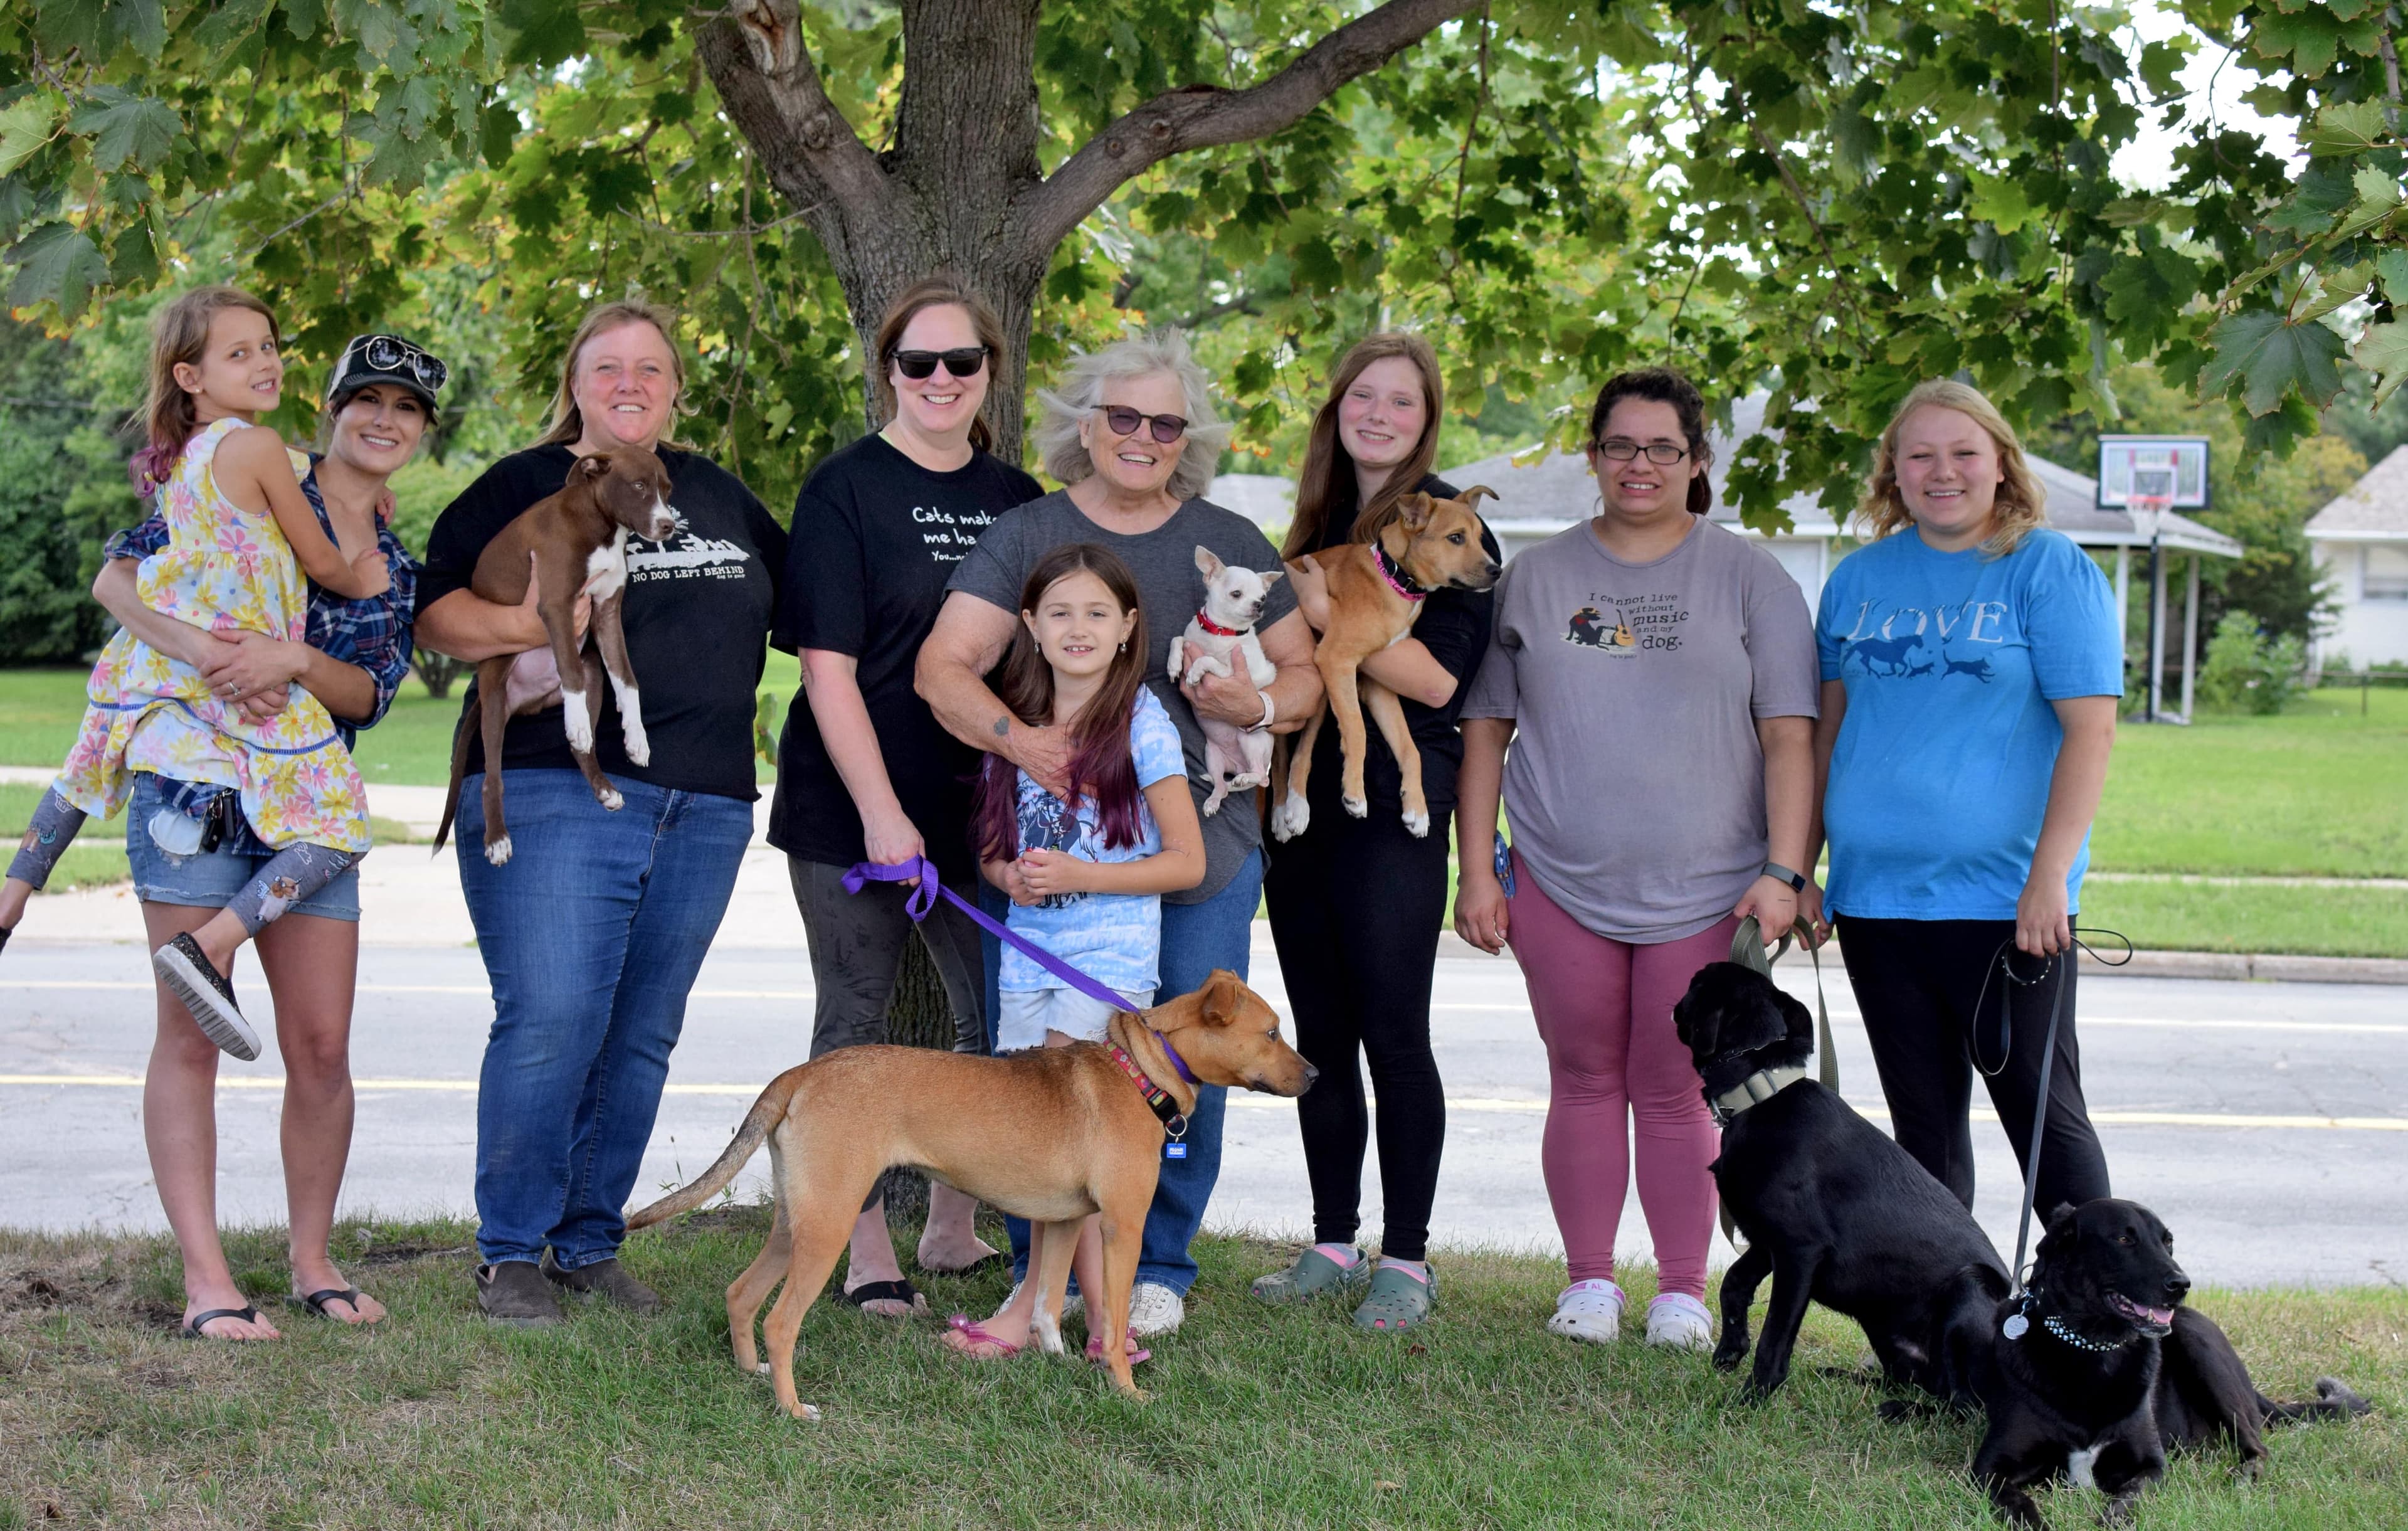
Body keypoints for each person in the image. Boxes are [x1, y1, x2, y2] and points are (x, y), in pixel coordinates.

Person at [13, 312, 431, 1339]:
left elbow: (369, 696)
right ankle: (207, 1283)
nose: (384, 420)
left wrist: (292, 661)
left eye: (407, 409)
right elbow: (118, 579)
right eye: (366, 399)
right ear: (331, 411)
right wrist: (203, 650)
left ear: (423, 432)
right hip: (193, 792)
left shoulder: (395, 562)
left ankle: (313, 1262)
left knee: (322, 1045)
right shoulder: (238, 473)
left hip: (303, 797)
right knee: (189, 1038)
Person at [918, 329, 1323, 1337]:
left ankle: (1158, 1268)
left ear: (1190, 438)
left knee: (1191, 1067)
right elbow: (943, 668)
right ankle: (1040, 1279)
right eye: (1125, 417)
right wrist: (1027, 746)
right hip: (1058, 867)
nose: (1144, 437)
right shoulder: (1029, 532)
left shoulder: (1229, 538)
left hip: (1200, 857)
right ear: (1086, 425)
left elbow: (1307, 678)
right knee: (1039, 1081)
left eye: (1167, 423)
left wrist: (1257, 705)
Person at [416, 300, 789, 1328]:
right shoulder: (522, 486)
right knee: (554, 1017)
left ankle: (587, 1243)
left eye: (651, 368)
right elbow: (435, 612)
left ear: (676, 389)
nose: (631, 384)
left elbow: (809, 609)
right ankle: (511, 1252)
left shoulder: (716, 493)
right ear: (576, 384)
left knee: (640, 1033)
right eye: (608, 367)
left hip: (706, 802)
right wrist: (534, 626)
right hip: (556, 788)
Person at [1452, 366, 1818, 1351]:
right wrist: (1476, 870)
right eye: (1621, 445)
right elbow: (1485, 731)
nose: (1640, 464)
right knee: (1580, 1075)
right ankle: (1588, 1284)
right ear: (1595, 456)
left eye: (1663, 447)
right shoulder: (1537, 576)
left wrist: (1785, 872)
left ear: (1697, 459)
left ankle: (1684, 1293)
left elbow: (1791, 735)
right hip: (1558, 878)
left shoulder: (1752, 577)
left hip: (1710, 886)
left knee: (1672, 1085)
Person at [2, 290, 390, 1055]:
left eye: (268, 346)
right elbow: (318, 558)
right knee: (340, 828)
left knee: (91, 760)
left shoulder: (181, 460)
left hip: (162, 653)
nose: (265, 363)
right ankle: (211, 944)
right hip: (239, 660)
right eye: (239, 353)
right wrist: (363, 573)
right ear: (190, 376)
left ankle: (13, 892)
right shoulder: (255, 445)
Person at [768, 277, 1042, 1316]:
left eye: (960, 361)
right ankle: (861, 1247)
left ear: (988, 373)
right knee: (856, 1026)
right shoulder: (844, 488)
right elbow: (826, 669)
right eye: (918, 362)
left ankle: (952, 1224)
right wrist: (883, 814)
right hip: (850, 807)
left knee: (994, 1023)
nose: (939, 379)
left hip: (983, 811)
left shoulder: (1018, 499)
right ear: (889, 371)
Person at [1805, 378, 2120, 1216]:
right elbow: (1827, 736)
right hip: (1876, 902)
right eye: (1920, 455)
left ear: (2001, 463)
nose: (1942, 471)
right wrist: (1801, 869)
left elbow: (2091, 733)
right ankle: (1942, 1301)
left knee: (2045, 1125)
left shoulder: (2048, 569)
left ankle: (2099, 1299)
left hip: (2006, 904)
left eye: (1963, 452)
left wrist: (2049, 877)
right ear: (1893, 471)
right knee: (1925, 1138)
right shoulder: (1856, 580)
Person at [1254, 333, 1497, 1333]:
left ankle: (1407, 1258)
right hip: (1301, 809)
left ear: (1426, 418)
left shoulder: (1453, 524)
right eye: (1364, 396)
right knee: (1320, 1035)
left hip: (1397, 809)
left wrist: (1322, 611)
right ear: (1338, 409)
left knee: (1394, 1035)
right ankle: (1329, 1240)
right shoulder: (1318, 522)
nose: (1380, 415)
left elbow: (1437, 682)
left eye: (1403, 401)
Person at [940, 544, 1203, 1359]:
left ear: (1128, 627)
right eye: (1059, 612)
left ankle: (1032, 1314)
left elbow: (1187, 861)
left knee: (1064, 1142)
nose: (1077, 628)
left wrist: (1084, 874)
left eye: (1096, 612)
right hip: (1028, 959)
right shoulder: (1018, 723)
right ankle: (1101, 1328)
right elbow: (994, 850)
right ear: (1030, 624)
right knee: (1044, 1143)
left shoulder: (1143, 724)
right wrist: (1008, 878)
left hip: (1105, 965)